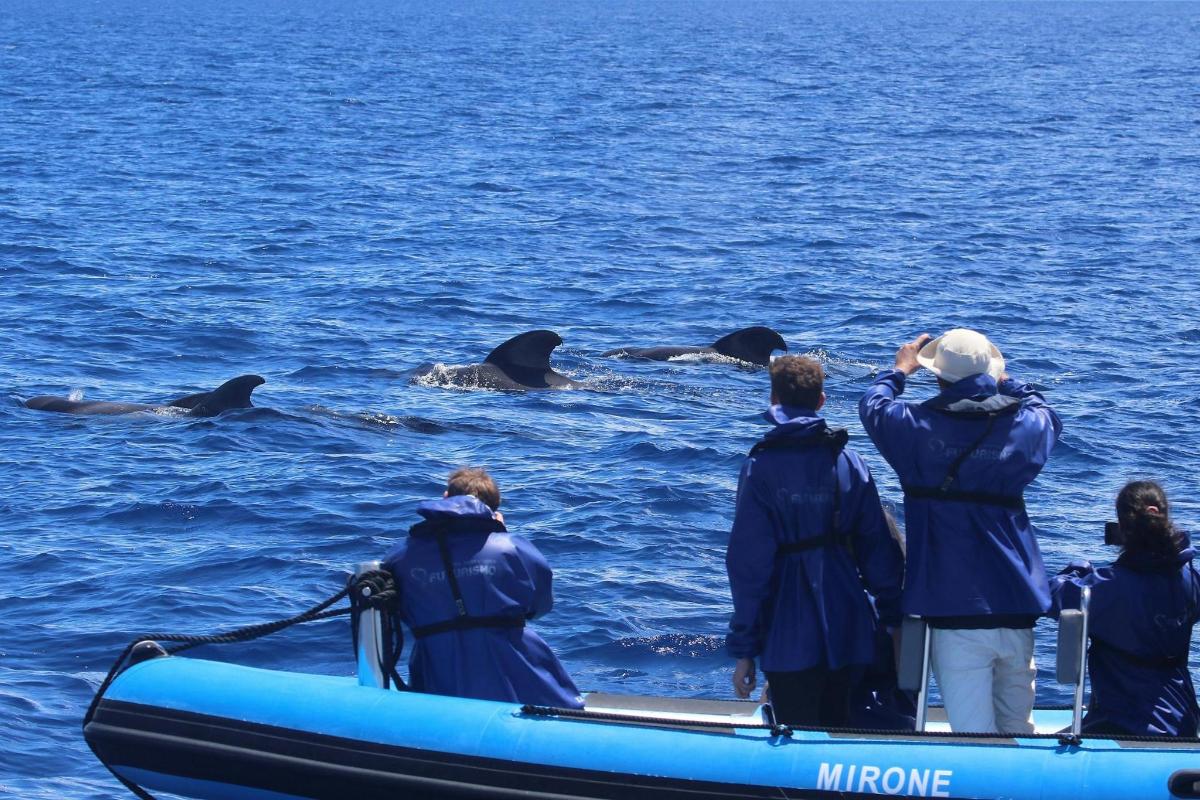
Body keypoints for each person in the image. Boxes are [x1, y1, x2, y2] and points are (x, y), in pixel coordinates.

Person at [859, 329, 1062, 734]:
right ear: (991, 370)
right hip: (1017, 602)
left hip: (954, 608)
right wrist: (1007, 381)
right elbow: (1046, 411)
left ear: (937, 376)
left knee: (975, 738)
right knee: (1018, 730)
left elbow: (873, 405)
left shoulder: (913, 427)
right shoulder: (1026, 428)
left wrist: (899, 370)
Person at [727, 356, 904, 727]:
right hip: (850, 625)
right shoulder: (848, 460)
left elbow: (749, 567)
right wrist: (893, 620)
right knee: (846, 728)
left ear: (773, 399)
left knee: (795, 735)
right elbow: (879, 548)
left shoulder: (760, 467)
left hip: (789, 635)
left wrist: (745, 650)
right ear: (821, 400)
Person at [382, 467, 583, 708]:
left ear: (446, 497)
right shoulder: (512, 547)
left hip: (436, 665)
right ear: (495, 510)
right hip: (512, 661)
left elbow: (396, 612)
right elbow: (540, 606)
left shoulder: (401, 554)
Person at [1050, 481, 1200, 737]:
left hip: (1125, 720)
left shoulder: (1108, 585)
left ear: (1123, 528)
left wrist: (1077, 570)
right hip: (1182, 719)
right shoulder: (1190, 578)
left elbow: (1054, 596)